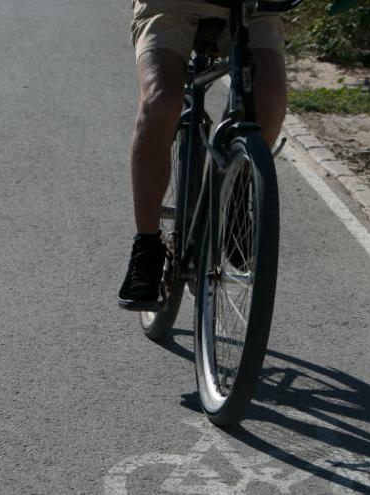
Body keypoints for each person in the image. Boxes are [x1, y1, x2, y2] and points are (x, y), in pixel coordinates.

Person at [118, 0, 288, 310]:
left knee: (269, 99)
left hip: (252, 6)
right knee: (160, 101)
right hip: (170, 4)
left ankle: (238, 187)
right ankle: (147, 246)